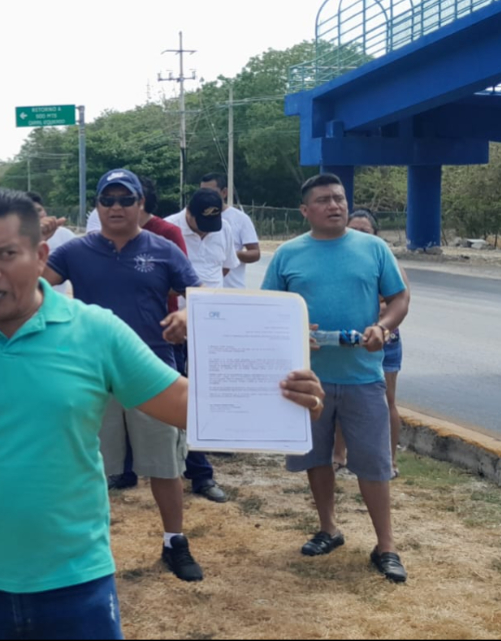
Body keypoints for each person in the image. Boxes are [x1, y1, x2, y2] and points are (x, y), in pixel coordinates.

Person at [0, 188, 325, 640]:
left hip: (75, 578)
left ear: (40, 256)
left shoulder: (94, 329)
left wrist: (281, 394)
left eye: (6, 254)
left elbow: (186, 404)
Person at [46, 170, 208, 582]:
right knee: (89, 465)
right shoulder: (75, 252)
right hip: (89, 373)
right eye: (107, 200)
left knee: (165, 464)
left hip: (153, 371)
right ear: (97, 206)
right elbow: (32, 290)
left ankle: (175, 540)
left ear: (140, 205)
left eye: (125, 199)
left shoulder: (163, 248)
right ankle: (80, 548)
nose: (115, 207)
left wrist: (187, 315)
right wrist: (32, 240)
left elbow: (200, 296)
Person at [262, 173, 411, 583]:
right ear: (305, 210)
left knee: (374, 464)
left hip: (363, 377)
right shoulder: (288, 255)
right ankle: (329, 528)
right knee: (317, 458)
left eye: (340, 198)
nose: (335, 205)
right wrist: (293, 334)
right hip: (307, 380)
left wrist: (383, 326)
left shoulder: (374, 248)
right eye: (324, 199)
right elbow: (269, 307)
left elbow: (399, 297)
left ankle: (386, 546)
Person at [165, 187, 242, 504]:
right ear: (188, 212)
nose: (205, 232)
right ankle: (186, 468)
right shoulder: (168, 229)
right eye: (200, 224)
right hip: (175, 327)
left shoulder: (221, 229)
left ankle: (200, 468)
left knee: (207, 391)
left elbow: (223, 267)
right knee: (179, 395)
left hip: (214, 322)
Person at [334, 210, 409, 479]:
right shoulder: (341, 260)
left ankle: (390, 459)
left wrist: (378, 324)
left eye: (365, 230)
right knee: (342, 396)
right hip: (346, 340)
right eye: (353, 229)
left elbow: (399, 300)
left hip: (383, 341)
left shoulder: (386, 261)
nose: (358, 234)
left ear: (375, 235)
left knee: (387, 400)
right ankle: (338, 454)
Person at [200, 173, 261, 289]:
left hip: (232, 290)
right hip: (203, 289)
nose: (206, 197)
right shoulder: (194, 218)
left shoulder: (240, 219)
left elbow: (255, 253)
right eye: (202, 193)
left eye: (211, 192)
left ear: (224, 192)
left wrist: (231, 255)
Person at [27, 192, 74, 296]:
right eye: (29, 212)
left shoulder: (64, 234)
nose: (36, 215)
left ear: (45, 212)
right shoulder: (14, 238)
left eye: (39, 210)